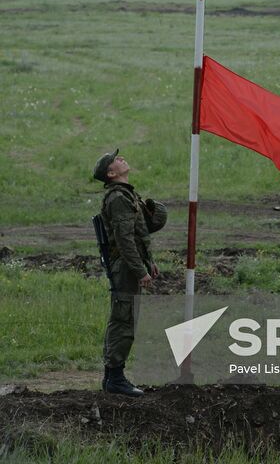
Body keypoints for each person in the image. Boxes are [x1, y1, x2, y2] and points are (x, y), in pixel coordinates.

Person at [93, 149, 167, 397]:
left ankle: (112, 378)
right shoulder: (118, 198)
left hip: (129, 264)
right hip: (125, 267)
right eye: (116, 159)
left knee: (125, 317)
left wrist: (148, 262)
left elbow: (138, 234)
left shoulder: (127, 195)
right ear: (111, 173)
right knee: (123, 320)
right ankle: (115, 378)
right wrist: (139, 270)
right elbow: (124, 240)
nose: (121, 158)